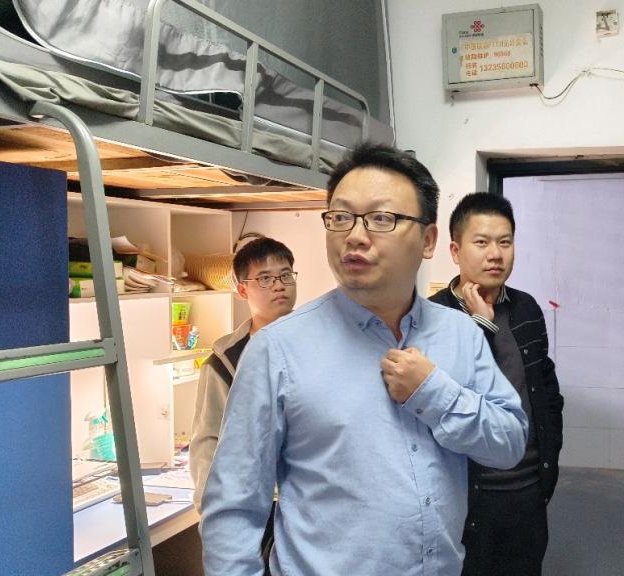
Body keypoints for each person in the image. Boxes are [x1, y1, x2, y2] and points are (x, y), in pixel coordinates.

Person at [199, 143, 528, 576]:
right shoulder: (276, 350)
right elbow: (234, 506)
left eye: (382, 218)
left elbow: (509, 444)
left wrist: (434, 393)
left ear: (428, 241)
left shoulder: (460, 334)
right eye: (340, 217)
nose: (354, 235)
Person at [429, 193, 564, 576]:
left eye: (505, 242)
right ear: (455, 251)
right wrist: (482, 324)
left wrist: (548, 464)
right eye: (482, 242)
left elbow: (547, 392)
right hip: (466, 494)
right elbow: (451, 396)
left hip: (527, 491)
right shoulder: (434, 315)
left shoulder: (526, 308)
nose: (495, 254)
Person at [189, 236, 297, 575]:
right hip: (255, 508)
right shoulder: (226, 361)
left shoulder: (317, 344)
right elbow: (208, 444)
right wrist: (212, 514)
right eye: (264, 278)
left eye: (286, 275)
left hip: (306, 507)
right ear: (241, 290)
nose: (278, 285)